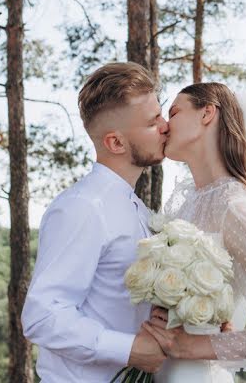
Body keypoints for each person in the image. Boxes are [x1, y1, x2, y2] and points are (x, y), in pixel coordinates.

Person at [141, 82, 246, 382]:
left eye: (174, 112)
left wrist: (194, 345)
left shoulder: (237, 209)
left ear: (207, 113)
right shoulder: (185, 206)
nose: (165, 126)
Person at [21, 62, 169, 382]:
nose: (166, 126)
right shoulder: (82, 208)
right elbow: (43, 315)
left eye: (162, 114)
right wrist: (129, 349)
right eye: (152, 121)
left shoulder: (139, 210)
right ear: (115, 143)